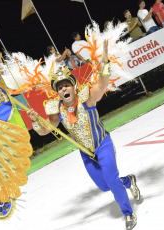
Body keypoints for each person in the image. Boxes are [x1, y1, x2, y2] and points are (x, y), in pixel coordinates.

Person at [27, 40, 140, 230]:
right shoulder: (57, 111)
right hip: (86, 153)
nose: (64, 89)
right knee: (105, 187)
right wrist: (35, 120)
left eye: (66, 85)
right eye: (60, 87)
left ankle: (128, 214)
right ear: (58, 93)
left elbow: (103, 84)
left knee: (111, 180)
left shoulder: (86, 99)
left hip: (102, 145)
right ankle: (129, 181)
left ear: (73, 87)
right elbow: (44, 130)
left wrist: (104, 61)